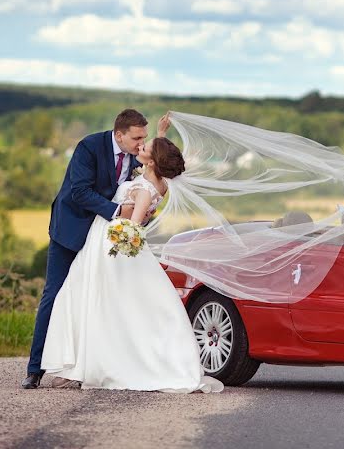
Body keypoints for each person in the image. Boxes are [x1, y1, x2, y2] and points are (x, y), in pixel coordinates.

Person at [38, 128, 223, 393]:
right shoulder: (158, 182)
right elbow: (150, 171)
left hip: (110, 243)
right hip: (106, 239)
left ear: (151, 161)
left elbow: (134, 226)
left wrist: (117, 239)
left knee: (90, 300)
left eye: (146, 146)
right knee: (93, 300)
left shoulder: (146, 188)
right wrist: (161, 135)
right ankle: (79, 364)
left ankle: (88, 364)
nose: (141, 146)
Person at [21, 109, 149, 389]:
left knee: (101, 298)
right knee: (54, 295)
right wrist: (118, 211)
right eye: (137, 138)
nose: (141, 144)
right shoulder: (89, 147)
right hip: (72, 230)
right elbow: (79, 191)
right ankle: (35, 369)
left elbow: (153, 165)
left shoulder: (136, 156)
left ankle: (89, 366)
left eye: (145, 138)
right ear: (119, 134)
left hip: (105, 239)